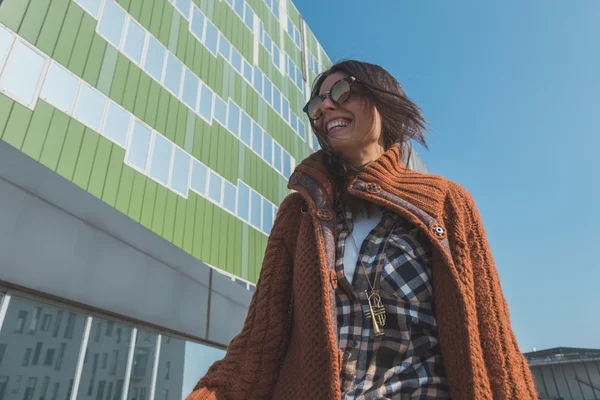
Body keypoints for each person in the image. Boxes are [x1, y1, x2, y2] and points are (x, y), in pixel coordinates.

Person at [186, 60, 536, 399]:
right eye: (315, 104)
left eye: (340, 91)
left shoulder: (446, 202)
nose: (324, 107)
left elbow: (494, 343)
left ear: (381, 98)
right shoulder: (298, 215)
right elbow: (255, 350)